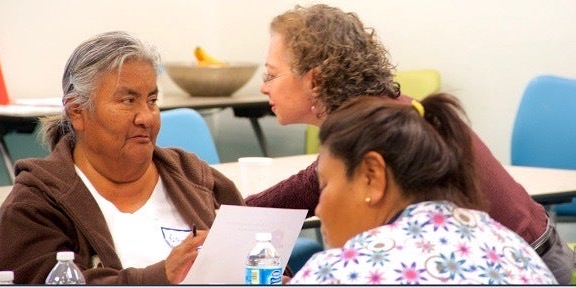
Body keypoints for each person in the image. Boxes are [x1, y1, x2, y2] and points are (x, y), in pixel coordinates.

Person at [245, 4, 574, 284]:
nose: (263, 88)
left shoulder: (379, 128)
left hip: (524, 261)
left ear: (314, 80)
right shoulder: (390, 112)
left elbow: (307, 186)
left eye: (271, 75)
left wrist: (230, 218)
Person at [0, 31, 245, 284]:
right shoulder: (37, 202)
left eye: (152, 100)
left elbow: (261, 264)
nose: (145, 117)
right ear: (77, 111)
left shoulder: (194, 177)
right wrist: (160, 277)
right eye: (128, 100)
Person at [288, 94, 557, 284]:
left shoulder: (339, 272)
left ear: (373, 176)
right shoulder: (512, 249)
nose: (319, 210)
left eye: (324, 186)